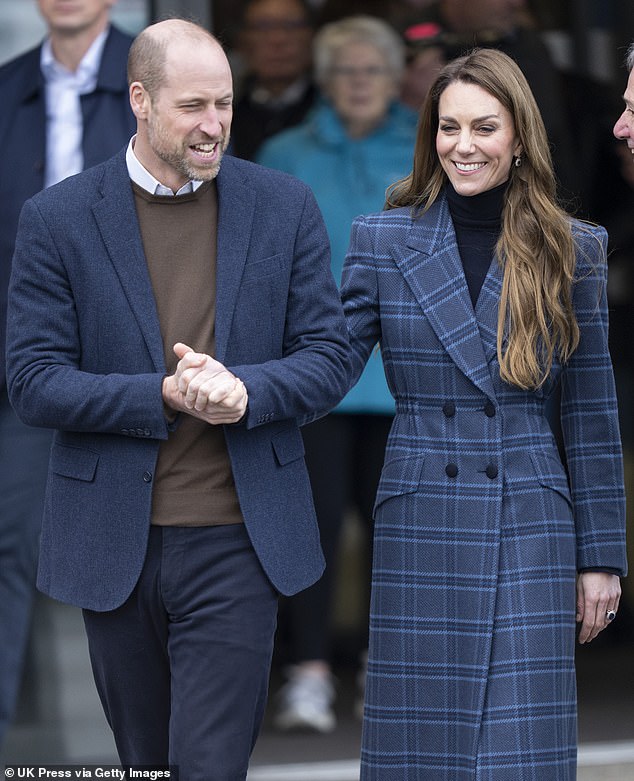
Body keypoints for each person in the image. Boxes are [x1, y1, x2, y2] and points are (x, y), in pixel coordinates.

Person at [5, 18, 351, 780]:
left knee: (207, 765)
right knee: (147, 763)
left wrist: (248, 390)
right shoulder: (58, 218)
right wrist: (159, 394)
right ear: (140, 100)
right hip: (115, 544)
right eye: (193, 106)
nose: (214, 124)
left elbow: (329, 358)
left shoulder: (283, 204)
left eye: (223, 103)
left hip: (240, 537)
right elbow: (32, 379)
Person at [340, 48, 627, 779]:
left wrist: (600, 558)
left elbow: (590, 414)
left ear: (519, 136)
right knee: (422, 748)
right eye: (449, 127)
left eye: (484, 127)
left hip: (529, 518)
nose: (463, 145)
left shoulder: (573, 248)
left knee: (519, 749)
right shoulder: (382, 239)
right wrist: (247, 385)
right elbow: (329, 363)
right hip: (421, 516)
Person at [258, 14, 416, 733]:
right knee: (311, 533)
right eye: (345, 70)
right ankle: (310, 675)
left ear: (394, 78)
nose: (359, 82)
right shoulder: (284, 153)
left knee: (399, 536)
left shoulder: (426, 147)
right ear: (324, 80)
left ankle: (390, 673)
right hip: (313, 377)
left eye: (372, 70)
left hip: (406, 376)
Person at [0, 0, 135, 748]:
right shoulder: (8, 89)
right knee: (9, 546)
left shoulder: (158, 80)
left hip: (143, 363)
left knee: (147, 548)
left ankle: (145, 745)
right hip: (25, 361)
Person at [230, 0, 317, 160]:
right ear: (242, 41)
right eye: (263, 27)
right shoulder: (224, 116)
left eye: (291, 26)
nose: (277, 39)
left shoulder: (335, 113)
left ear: (313, 37)